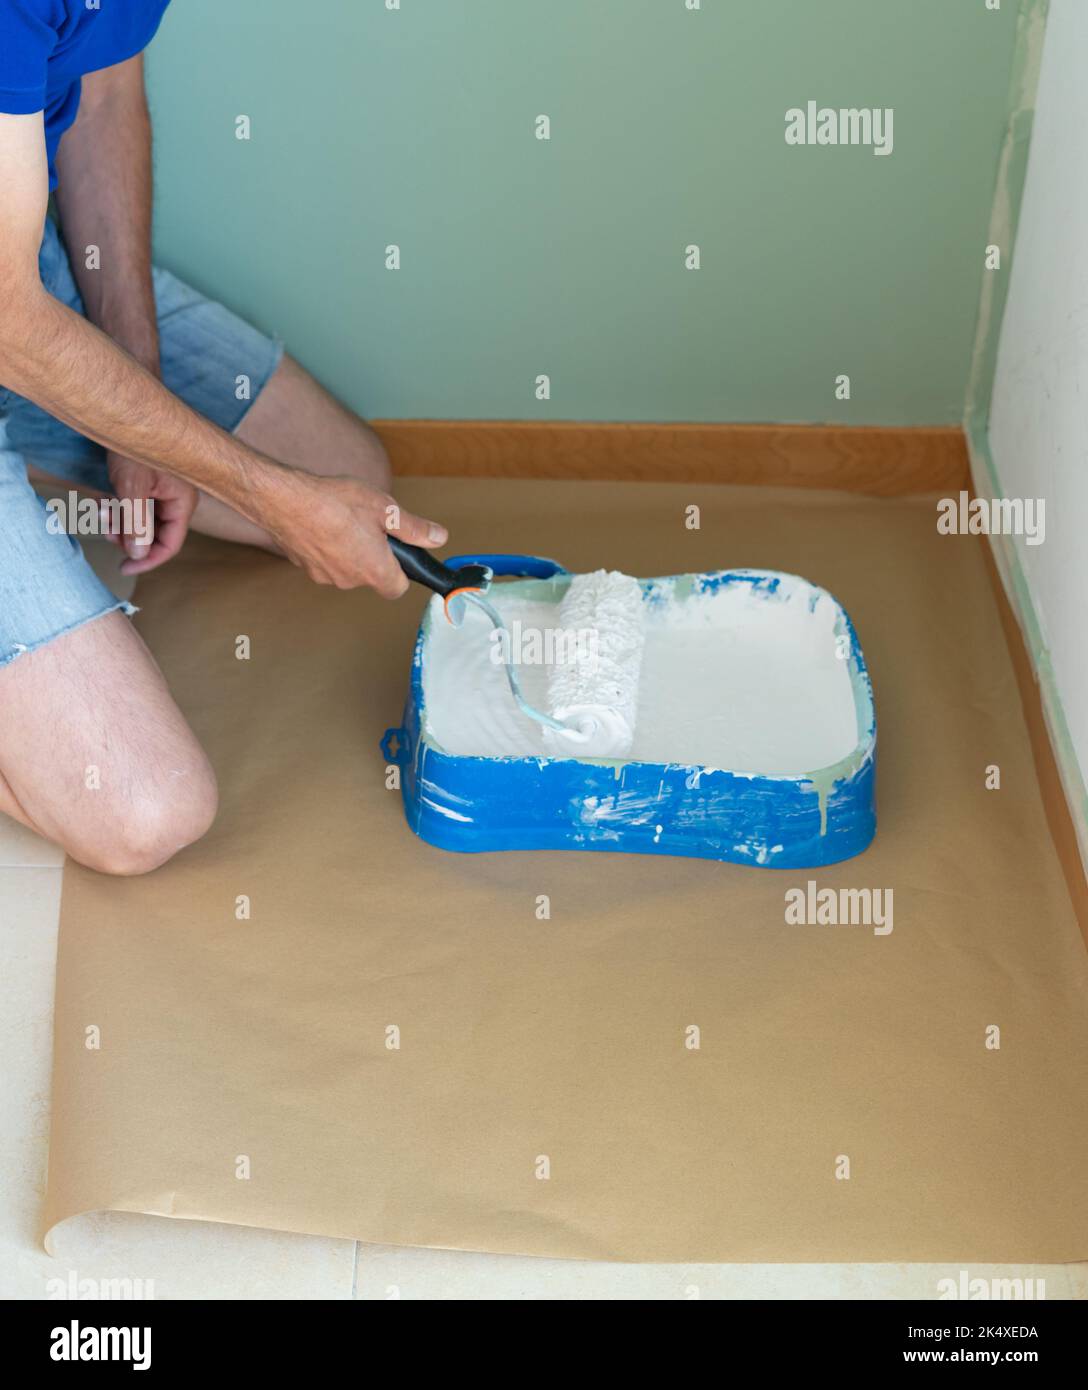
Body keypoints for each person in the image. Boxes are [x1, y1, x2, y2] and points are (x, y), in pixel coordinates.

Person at [0, 0, 448, 874]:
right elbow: (9, 320)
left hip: (18, 276)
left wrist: (139, 390)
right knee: (146, 808)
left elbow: (104, 90)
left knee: (346, 470)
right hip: (7, 306)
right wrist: (270, 497)